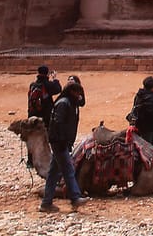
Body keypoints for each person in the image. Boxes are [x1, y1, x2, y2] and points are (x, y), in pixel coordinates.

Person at [40, 80, 87, 213]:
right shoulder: (64, 104)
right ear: (71, 92)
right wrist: (62, 141)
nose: (79, 95)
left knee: (54, 173)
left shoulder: (70, 104)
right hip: (59, 143)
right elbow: (58, 123)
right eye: (77, 92)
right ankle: (75, 197)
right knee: (68, 169)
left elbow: (82, 103)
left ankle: (46, 203)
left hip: (62, 142)